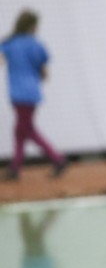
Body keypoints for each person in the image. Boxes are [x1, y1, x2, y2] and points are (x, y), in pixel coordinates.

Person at [1, 10, 67, 181]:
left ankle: (57, 159)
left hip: (18, 93)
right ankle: (15, 168)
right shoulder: (37, 45)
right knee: (21, 131)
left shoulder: (10, 43)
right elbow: (44, 72)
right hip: (31, 92)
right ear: (31, 26)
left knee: (26, 130)